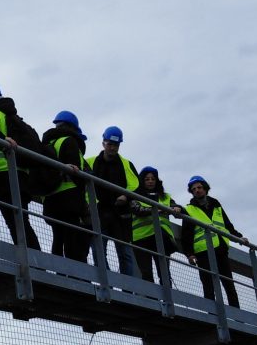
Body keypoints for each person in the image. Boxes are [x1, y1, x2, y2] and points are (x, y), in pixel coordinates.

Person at [0, 80, 42, 250]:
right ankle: (34, 260)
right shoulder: (13, 115)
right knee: (21, 220)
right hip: (22, 176)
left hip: (2, 175)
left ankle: (32, 261)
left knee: (16, 223)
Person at [85, 125, 140, 276]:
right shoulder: (90, 162)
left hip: (120, 215)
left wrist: (126, 196)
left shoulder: (126, 164)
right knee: (98, 251)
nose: (112, 148)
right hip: (100, 213)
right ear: (103, 143)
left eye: (116, 145)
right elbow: (83, 185)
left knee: (125, 254)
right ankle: (107, 283)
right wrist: (89, 202)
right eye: (110, 144)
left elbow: (136, 186)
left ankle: (128, 289)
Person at [181, 174, 243, 307]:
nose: (197, 190)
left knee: (229, 285)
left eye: (199, 187)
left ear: (205, 189)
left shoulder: (217, 206)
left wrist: (239, 237)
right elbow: (186, 234)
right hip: (203, 252)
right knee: (208, 285)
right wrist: (189, 254)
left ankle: (238, 316)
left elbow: (227, 225)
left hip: (220, 249)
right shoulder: (189, 209)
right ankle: (212, 317)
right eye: (194, 189)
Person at [38, 110, 90, 262]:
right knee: (71, 240)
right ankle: (73, 274)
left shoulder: (48, 143)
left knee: (57, 237)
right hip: (69, 199)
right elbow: (77, 174)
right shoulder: (69, 141)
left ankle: (58, 272)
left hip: (50, 199)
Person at [129, 166, 182, 284]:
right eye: (147, 179)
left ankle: (168, 300)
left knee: (164, 274)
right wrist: (157, 210)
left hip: (161, 238)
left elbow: (177, 207)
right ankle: (151, 300)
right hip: (141, 239)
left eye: (153, 179)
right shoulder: (135, 195)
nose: (150, 181)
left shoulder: (165, 197)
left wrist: (177, 208)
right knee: (146, 274)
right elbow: (137, 209)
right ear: (142, 181)